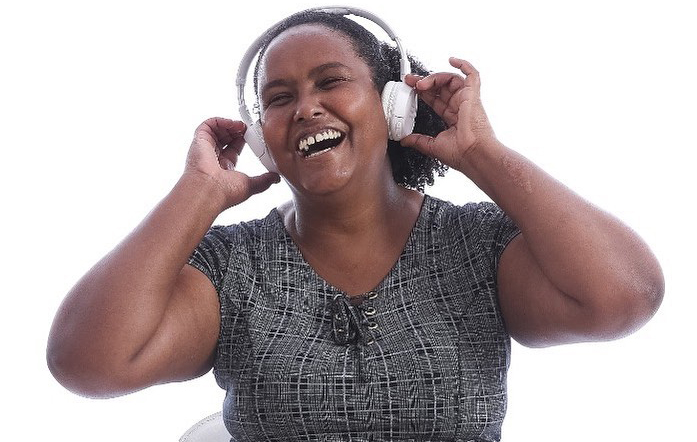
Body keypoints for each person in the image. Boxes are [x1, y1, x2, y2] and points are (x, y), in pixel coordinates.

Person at [47, 8, 664, 442]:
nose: (305, 106)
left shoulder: (478, 246)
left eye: (331, 81)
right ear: (261, 135)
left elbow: (624, 296)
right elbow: (86, 363)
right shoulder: (231, 266)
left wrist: (482, 153)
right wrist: (198, 194)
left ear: (394, 102)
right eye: (279, 98)